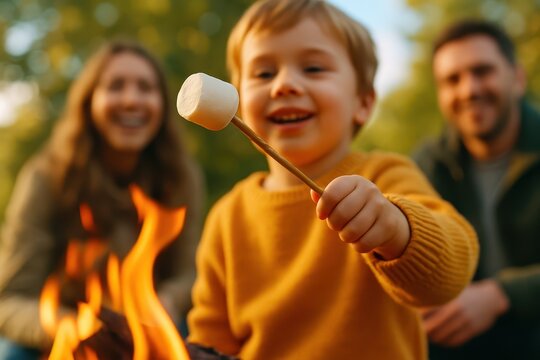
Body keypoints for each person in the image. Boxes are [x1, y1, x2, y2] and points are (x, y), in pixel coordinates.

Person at [186, 0, 478, 359]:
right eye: (263, 74)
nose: (284, 85)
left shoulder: (385, 177)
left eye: (312, 68)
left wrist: (395, 229)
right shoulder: (227, 218)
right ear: (239, 100)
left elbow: (451, 275)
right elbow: (211, 340)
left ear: (363, 102)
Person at [0, 39, 204, 358]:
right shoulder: (46, 178)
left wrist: (165, 301)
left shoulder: (181, 177)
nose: (131, 100)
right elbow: (10, 300)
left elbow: (188, 274)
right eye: (115, 86)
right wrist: (72, 328)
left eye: (145, 88)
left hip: (153, 329)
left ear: (162, 105)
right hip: (60, 339)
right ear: (88, 101)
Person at [414, 20, 540, 359]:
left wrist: (502, 294)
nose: (469, 90)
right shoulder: (427, 164)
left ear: (517, 78)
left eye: (482, 71)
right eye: (452, 80)